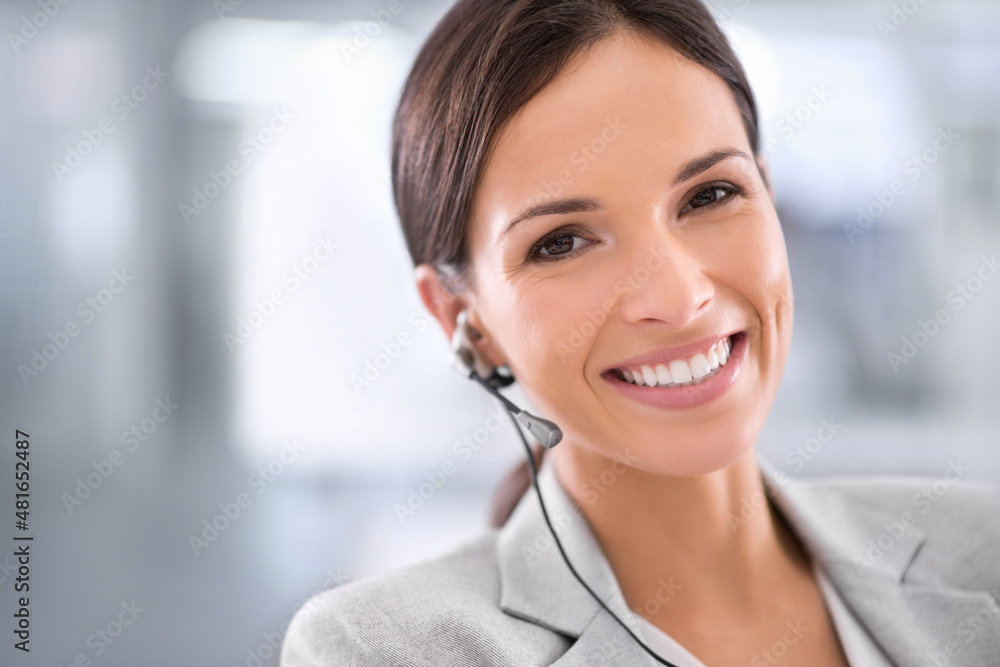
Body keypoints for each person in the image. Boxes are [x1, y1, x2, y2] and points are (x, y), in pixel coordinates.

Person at [279, 0, 1000, 665]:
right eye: (561, 242)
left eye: (711, 194)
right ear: (462, 317)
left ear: (769, 198)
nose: (680, 296)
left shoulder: (984, 554)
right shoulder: (387, 649)